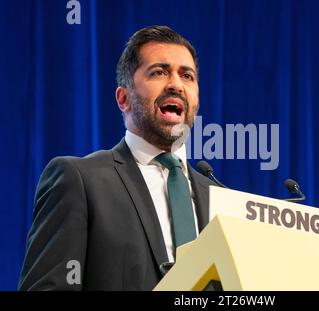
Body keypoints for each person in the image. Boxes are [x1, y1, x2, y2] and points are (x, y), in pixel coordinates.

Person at [18, 25, 216, 290]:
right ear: (124, 99)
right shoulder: (79, 180)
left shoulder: (218, 196)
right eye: (159, 72)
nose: (176, 85)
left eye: (187, 76)